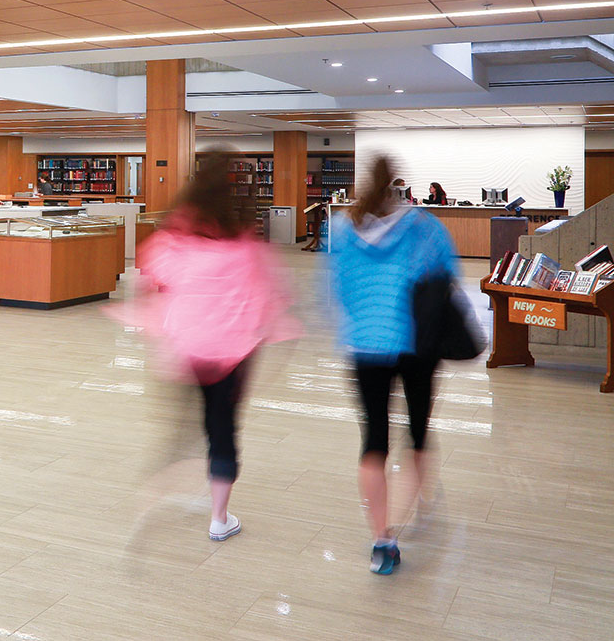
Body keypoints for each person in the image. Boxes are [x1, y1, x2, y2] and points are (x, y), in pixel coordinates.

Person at [120, 152, 296, 544]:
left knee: (179, 429)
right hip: (233, 350)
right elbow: (267, 295)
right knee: (222, 430)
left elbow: (150, 278)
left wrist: (157, 327)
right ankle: (219, 517)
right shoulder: (245, 240)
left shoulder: (176, 232)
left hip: (187, 345)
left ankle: (152, 496)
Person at [328, 155, 457, 575]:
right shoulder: (423, 227)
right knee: (417, 434)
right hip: (418, 346)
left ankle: (382, 539)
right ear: (396, 187)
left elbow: (335, 290)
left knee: (374, 442)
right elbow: (447, 276)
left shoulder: (344, 232)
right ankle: (416, 501)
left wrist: (364, 320)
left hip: (365, 347)